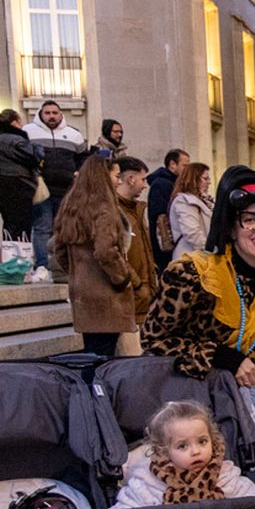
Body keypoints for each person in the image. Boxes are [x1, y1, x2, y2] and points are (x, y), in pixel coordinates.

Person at [143, 166, 255, 394]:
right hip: (180, 396)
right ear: (231, 227)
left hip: (236, 397)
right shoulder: (192, 273)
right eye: (249, 220)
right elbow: (153, 342)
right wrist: (220, 357)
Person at [113, 400, 255, 509]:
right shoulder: (148, 482)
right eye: (183, 446)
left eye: (202, 441)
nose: (196, 451)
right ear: (163, 452)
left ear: (212, 440)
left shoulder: (224, 474)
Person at [51, 154, 134, 357]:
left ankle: (88, 388)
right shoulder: (104, 208)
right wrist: (122, 277)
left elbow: (58, 249)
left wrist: (77, 273)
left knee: (91, 353)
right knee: (105, 355)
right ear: (103, 176)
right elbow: (105, 251)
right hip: (106, 292)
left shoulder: (70, 206)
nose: (119, 180)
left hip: (82, 291)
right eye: (116, 175)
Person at [25, 100, 86, 282]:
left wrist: (78, 173)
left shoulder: (74, 135)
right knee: (42, 227)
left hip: (67, 190)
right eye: (47, 113)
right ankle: (42, 265)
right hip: (41, 189)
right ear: (41, 114)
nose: (51, 116)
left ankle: (61, 266)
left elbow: (83, 158)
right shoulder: (28, 132)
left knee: (64, 228)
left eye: (55, 112)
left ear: (61, 114)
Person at [111, 155, 157, 355]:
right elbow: (114, 254)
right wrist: (137, 283)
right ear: (130, 179)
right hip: (129, 303)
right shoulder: (114, 212)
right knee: (131, 364)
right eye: (143, 179)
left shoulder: (136, 210)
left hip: (144, 302)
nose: (145, 185)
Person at [0, 109, 40, 252]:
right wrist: (38, 151)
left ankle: (10, 261)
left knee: (10, 225)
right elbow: (32, 158)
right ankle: (19, 264)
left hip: (0, 184)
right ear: (15, 123)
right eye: (21, 123)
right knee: (21, 227)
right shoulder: (15, 139)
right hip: (17, 184)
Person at [147, 149, 189, 271]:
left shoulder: (173, 183)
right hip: (166, 249)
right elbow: (161, 219)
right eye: (184, 165)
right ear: (172, 165)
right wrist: (168, 247)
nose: (187, 170)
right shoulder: (162, 184)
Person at [167, 161, 213, 262]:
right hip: (191, 258)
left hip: (199, 256)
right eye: (205, 178)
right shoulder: (184, 201)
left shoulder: (202, 200)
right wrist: (211, 250)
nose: (209, 182)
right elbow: (192, 233)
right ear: (193, 179)